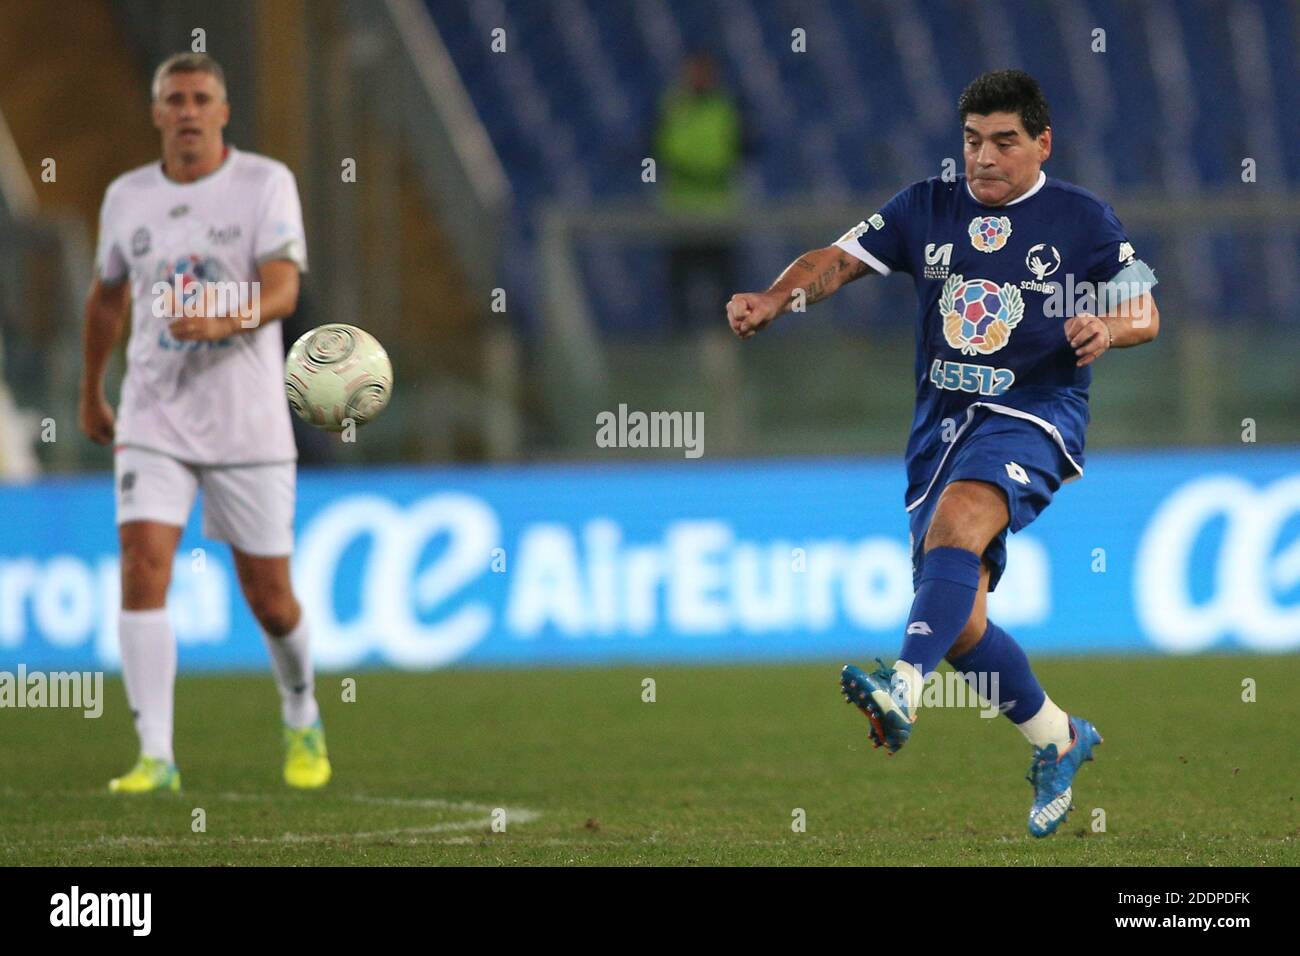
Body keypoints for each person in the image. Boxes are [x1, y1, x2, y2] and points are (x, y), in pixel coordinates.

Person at [725, 70, 1160, 837]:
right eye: (971, 141)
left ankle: (901, 689)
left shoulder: (1082, 218)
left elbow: (1145, 308)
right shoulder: (927, 205)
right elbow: (836, 259)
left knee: (958, 523)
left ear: (1041, 144)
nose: (983, 158)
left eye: (1003, 142)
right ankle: (1059, 737)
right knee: (959, 623)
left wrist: (1109, 329)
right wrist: (772, 298)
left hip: (1035, 414)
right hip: (940, 431)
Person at [79, 52, 329, 793]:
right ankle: (156, 756)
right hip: (153, 413)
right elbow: (106, 298)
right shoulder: (127, 197)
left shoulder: (264, 183)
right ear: (157, 113)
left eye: (201, 98)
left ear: (224, 112)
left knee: (270, 598)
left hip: (246, 421)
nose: (188, 111)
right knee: (142, 564)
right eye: (174, 99)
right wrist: (91, 390)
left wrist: (226, 315)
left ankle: (301, 708)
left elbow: (283, 288)